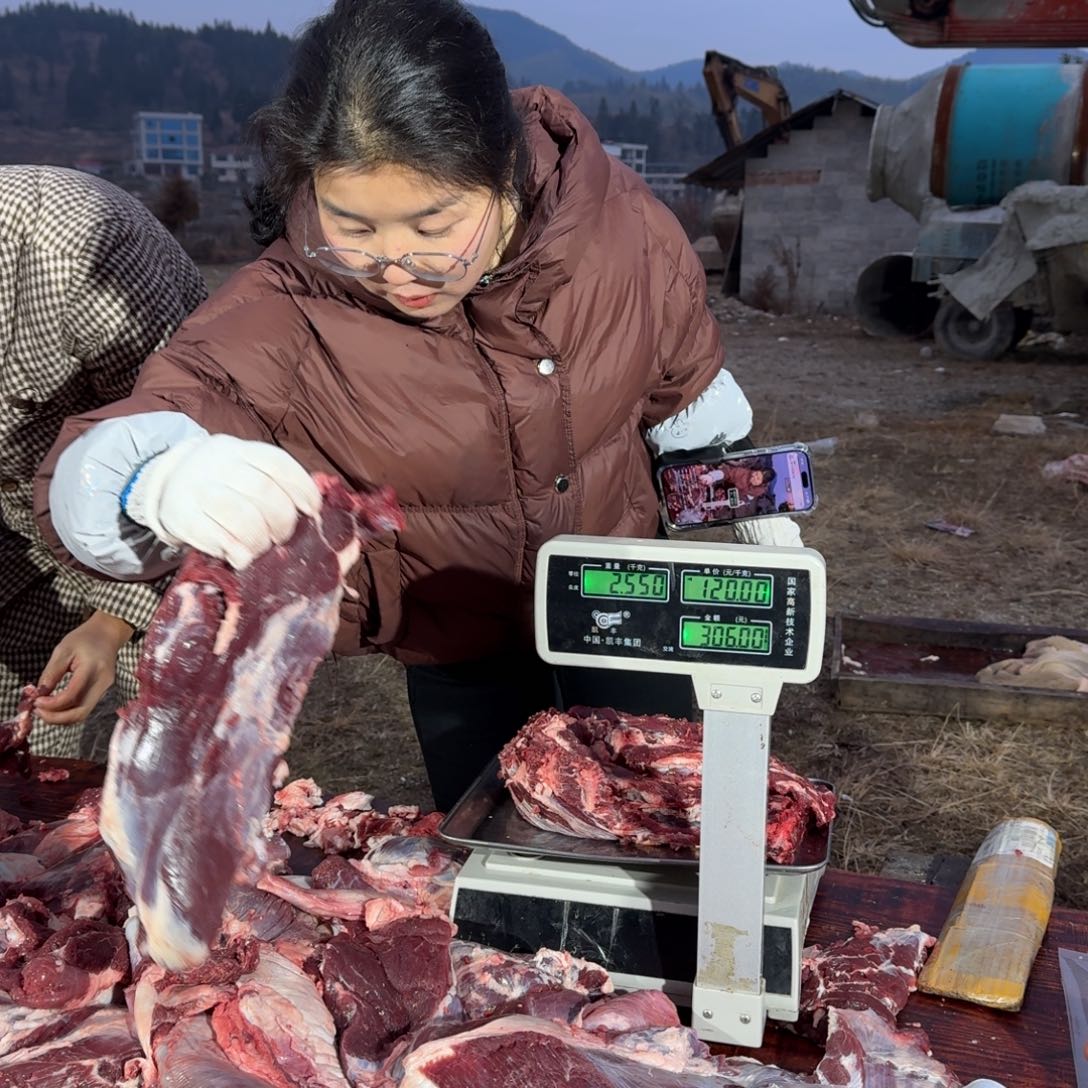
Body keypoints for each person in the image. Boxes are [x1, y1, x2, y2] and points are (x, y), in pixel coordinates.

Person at [36, 0, 801, 808]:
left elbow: (687, 393)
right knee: (499, 848)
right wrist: (154, 478)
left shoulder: (622, 230)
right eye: (353, 226)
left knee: (659, 825)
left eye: (434, 226)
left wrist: (751, 503)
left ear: (502, 167)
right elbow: (118, 449)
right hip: (460, 646)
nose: (395, 265)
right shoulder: (287, 310)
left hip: (632, 605)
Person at [1, 165, 206, 757]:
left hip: (160, 520)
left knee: (171, 747)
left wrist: (112, 621)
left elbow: (184, 448)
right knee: (22, 745)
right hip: (16, 523)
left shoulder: (77, 249)